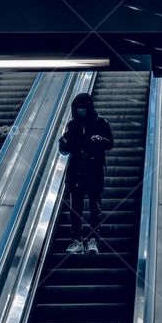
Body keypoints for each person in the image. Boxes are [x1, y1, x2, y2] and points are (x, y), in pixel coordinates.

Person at [58, 92, 114, 253]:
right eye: (78, 108)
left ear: (89, 107)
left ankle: (93, 240)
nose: (80, 110)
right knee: (76, 208)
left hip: (94, 171)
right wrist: (63, 143)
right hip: (75, 172)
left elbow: (110, 143)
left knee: (95, 208)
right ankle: (76, 240)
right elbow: (65, 149)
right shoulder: (72, 125)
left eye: (83, 107)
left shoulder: (101, 123)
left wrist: (100, 140)